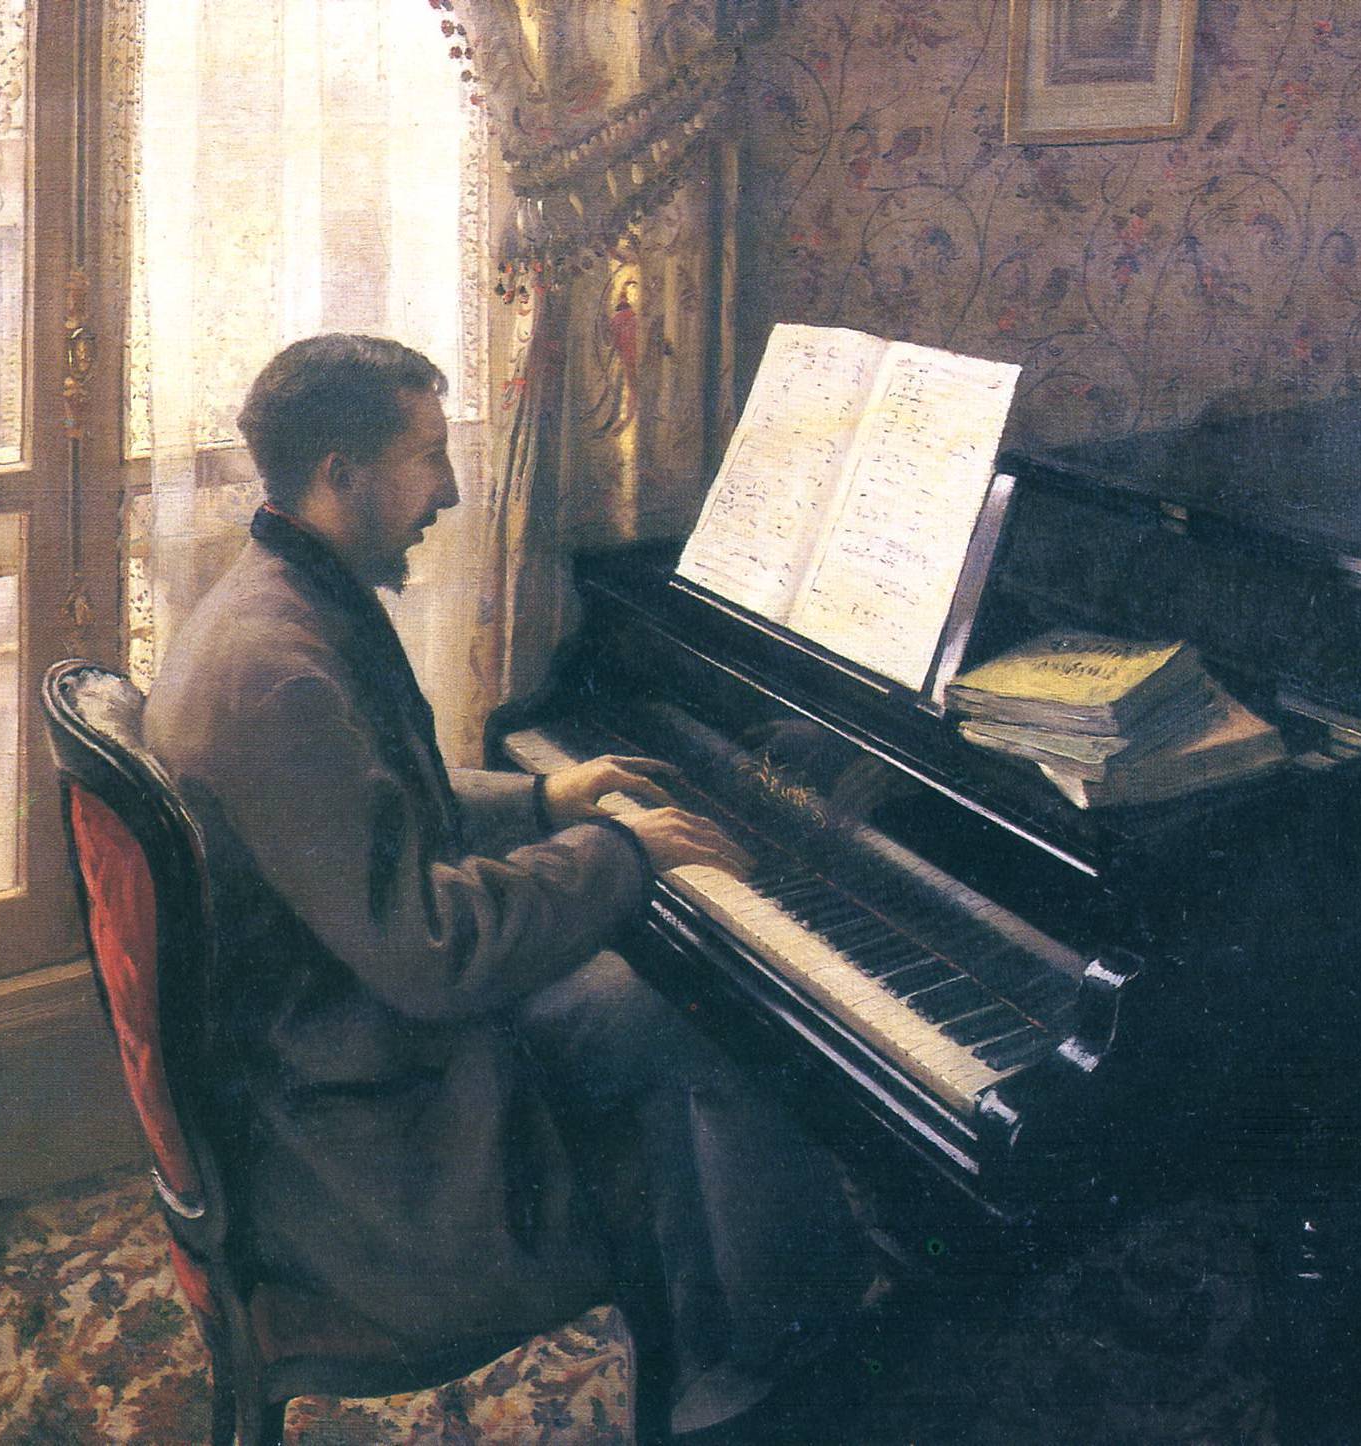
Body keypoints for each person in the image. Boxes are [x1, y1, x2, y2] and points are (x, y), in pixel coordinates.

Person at [144, 333, 874, 1438]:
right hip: (358, 1120)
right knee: (720, 1022)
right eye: (426, 457)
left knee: (666, 1005)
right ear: (340, 474)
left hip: (334, 1029)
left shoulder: (281, 598)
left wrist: (545, 800)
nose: (446, 489)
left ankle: (728, 1341)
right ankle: (789, 1362)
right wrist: (624, 854)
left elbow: (374, 806)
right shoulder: (277, 672)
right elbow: (434, 953)